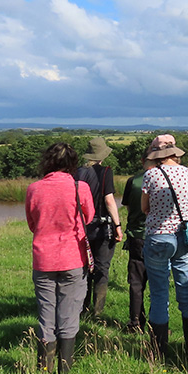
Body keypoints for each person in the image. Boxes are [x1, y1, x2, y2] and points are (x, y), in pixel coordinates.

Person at [25, 142, 94, 374]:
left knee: (46, 313)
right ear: (72, 163)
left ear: (48, 161)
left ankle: (44, 368)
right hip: (73, 257)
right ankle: (65, 369)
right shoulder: (80, 187)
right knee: (69, 312)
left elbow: (32, 224)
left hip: (43, 258)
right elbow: (89, 216)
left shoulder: (34, 189)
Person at [142, 134, 188, 358]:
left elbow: (145, 207)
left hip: (158, 236)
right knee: (185, 290)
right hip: (184, 236)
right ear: (175, 152)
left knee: (158, 293)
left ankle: (158, 349)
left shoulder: (151, 175)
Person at [75, 137, 123, 320]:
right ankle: (97, 312)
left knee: (85, 268)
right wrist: (118, 225)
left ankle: (82, 307)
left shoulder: (77, 173)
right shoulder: (106, 172)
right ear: (102, 155)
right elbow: (109, 200)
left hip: (82, 228)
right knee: (102, 268)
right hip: (103, 227)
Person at [120, 148, 155, 333]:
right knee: (158, 282)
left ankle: (135, 322)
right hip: (157, 235)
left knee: (136, 282)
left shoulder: (132, 181)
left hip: (136, 236)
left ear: (142, 161)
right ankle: (156, 323)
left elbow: (126, 205)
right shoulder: (161, 180)